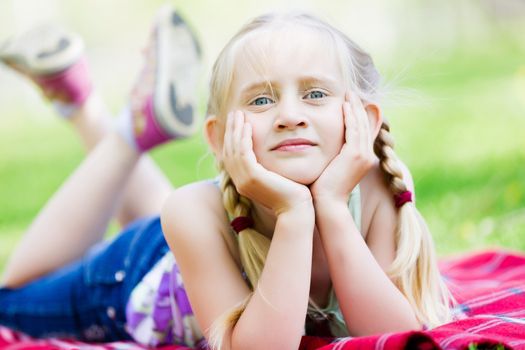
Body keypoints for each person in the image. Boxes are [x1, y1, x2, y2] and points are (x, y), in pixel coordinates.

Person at [0, 9, 455, 350]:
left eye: (315, 93)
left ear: (364, 119)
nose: (290, 116)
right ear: (218, 138)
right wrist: (295, 214)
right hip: (133, 275)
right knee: (12, 300)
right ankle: (120, 132)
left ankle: (88, 105)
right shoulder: (192, 210)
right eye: (261, 101)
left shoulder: (373, 189)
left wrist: (332, 208)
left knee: (194, 219)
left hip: (207, 243)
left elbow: (394, 337)